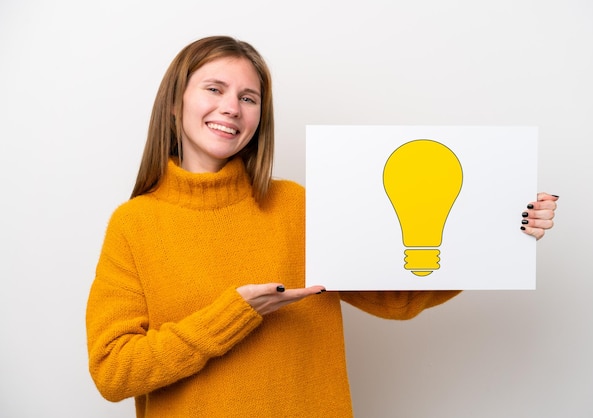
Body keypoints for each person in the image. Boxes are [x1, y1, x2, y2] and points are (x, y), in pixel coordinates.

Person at [86, 35, 559, 417]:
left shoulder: (297, 206)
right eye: (214, 89)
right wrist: (235, 314)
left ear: (257, 117)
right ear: (175, 103)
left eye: (248, 97)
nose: (232, 107)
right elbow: (113, 373)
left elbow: (399, 299)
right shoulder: (135, 224)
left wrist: (502, 233)